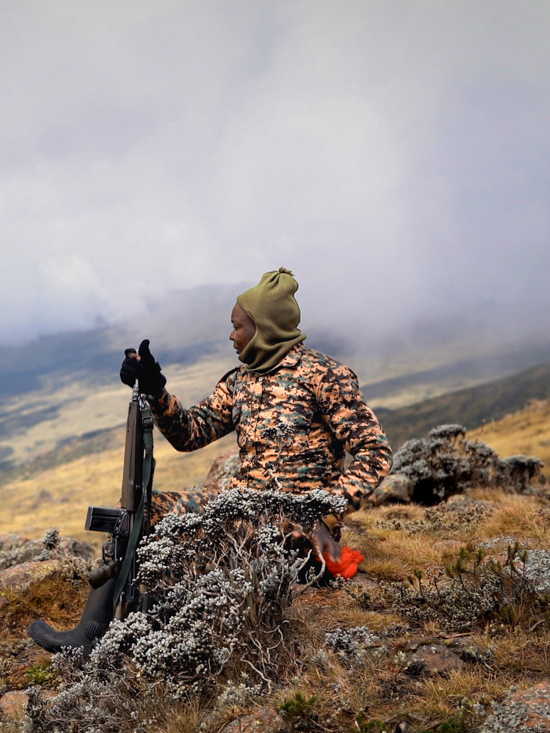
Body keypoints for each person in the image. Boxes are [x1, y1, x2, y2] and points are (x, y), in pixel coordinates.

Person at [28, 268, 392, 655]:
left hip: (295, 529)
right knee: (141, 511)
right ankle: (91, 633)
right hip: (240, 509)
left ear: (264, 327)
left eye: (238, 327)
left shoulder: (324, 376)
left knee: (195, 548)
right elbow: (191, 432)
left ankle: (154, 625)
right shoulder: (240, 381)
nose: (231, 336)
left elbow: (375, 453)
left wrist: (322, 514)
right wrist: (155, 389)